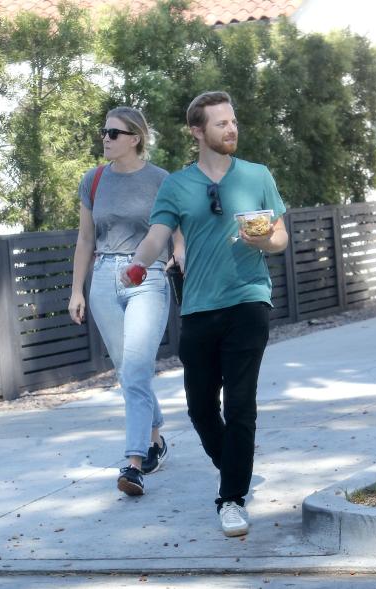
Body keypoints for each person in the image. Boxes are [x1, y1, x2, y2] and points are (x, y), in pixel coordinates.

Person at [121, 91, 288, 536]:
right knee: (199, 408)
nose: (231, 130)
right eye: (221, 124)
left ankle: (231, 497)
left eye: (233, 122)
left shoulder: (257, 175)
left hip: (249, 301)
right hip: (198, 307)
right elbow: (158, 235)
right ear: (197, 131)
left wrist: (265, 241)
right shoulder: (176, 185)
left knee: (239, 403)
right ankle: (235, 465)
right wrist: (138, 265)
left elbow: (281, 237)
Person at [68, 106, 184, 497]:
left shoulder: (160, 180)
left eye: (113, 133)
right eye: (104, 132)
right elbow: (85, 240)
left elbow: (177, 227)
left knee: (136, 368)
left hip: (146, 277)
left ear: (135, 138)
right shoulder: (93, 180)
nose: (105, 138)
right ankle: (156, 437)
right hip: (103, 277)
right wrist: (76, 290)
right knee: (128, 370)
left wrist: (177, 252)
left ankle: (133, 463)